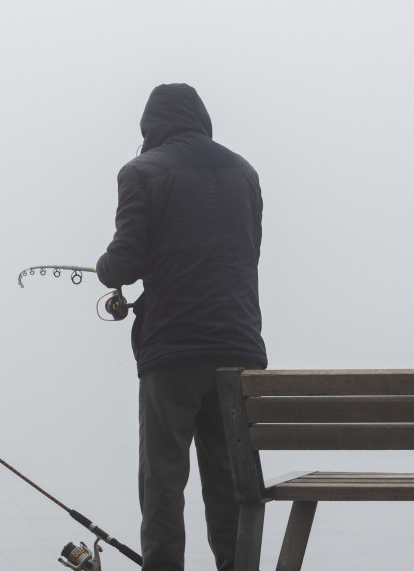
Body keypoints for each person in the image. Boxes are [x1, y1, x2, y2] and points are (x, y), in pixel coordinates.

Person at [96, 83, 266, 571]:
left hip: (172, 348)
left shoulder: (141, 172)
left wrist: (104, 268)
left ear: (150, 128)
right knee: (228, 476)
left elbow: (125, 261)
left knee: (163, 479)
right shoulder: (245, 173)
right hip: (238, 346)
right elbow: (247, 253)